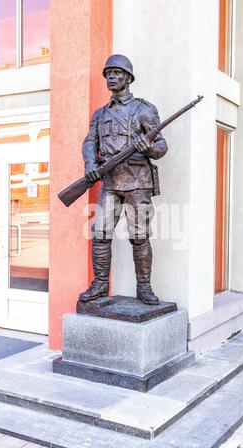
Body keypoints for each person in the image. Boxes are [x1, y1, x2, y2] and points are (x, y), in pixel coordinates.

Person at [79, 54, 168, 305]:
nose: (111, 78)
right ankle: (99, 285)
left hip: (138, 183)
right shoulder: (99, 114)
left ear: (128, 78)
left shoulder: (144, 109)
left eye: (117, 73)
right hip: (110, 182)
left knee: (139, 237)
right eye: (108, 74)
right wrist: (91, 165)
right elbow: (89, 143)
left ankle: (144, 287)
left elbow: (161, 147)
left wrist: (148, 146)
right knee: (100, 233)